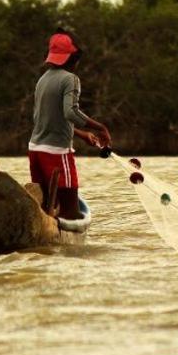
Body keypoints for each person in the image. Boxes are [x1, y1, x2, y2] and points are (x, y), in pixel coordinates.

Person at [28, 29, 111, 220]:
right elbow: (70, 112)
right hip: (57, 153)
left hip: (35, 151)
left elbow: (49, 119)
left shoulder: (43, 80)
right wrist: (100, 128)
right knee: (71, 212)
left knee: (49, 207)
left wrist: (82, 134)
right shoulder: (71, 79)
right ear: (72, 59)